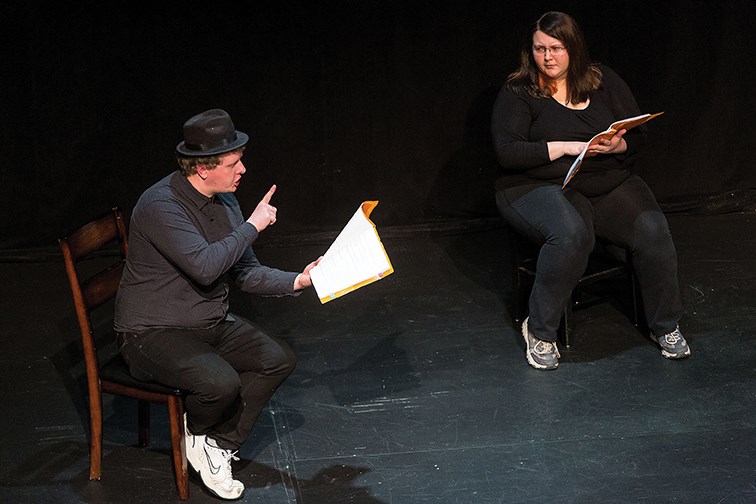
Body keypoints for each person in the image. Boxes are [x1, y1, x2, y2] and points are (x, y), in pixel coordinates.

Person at [114, 108, 320, 499]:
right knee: (219, 383)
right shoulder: (162, 205)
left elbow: (245, 272)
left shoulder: (226, 202)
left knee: (277, 358)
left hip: (206, 321)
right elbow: (207, 268)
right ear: (202, 169)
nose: (242, 169)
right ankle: (198, 432)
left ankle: (218, 444)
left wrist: (301, 279)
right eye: (233, 162)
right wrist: (253, 226)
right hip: (150, 331)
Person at [491, 12, 690, 370]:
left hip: (604, 181)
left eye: (556, 48)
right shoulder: (520, 91)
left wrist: (617, 147)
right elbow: (507, 151)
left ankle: (666, 326)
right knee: (570, 234)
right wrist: (567, 146)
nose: (548, 57)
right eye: (540, 49)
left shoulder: (601, 79)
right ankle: (539, 330)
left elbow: (639, 135)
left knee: (652, 229)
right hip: (536, 186)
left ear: (574, 49)